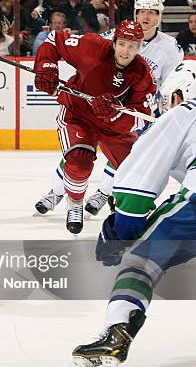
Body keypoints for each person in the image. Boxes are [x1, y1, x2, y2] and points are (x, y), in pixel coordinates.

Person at [70, 60, 196, 367]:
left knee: (140, 260)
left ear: (177, 96)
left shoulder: (184, 114)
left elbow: (135, 189)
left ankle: (116, 334)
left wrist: (116, 237)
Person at [35, 0, 183, 220]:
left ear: (159, 16)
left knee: (130, 160)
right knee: (78, 153)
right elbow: (66, 46)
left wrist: (141, 109)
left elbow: (173, 80)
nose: (146, 16)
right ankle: (59, 192)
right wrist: (46, 67)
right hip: (89, 110)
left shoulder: (172, 48)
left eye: (152, 12)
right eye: (142, 11)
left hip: (137, 107)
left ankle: (105, 193)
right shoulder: (103, 40)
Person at [33, 19, 156, 234]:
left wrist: (114, 114)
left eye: (132, 46)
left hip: (112, 126)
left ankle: (127, 211)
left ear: (139, 48)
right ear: (114, 42)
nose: (126, 51)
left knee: (135, 169)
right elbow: (54, 40)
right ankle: (75, 203)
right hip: (78, 114)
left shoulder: (143, 73)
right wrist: (47, 68)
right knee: (79, 159)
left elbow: (140, 117)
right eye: (122, 44)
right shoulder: (91, 48)